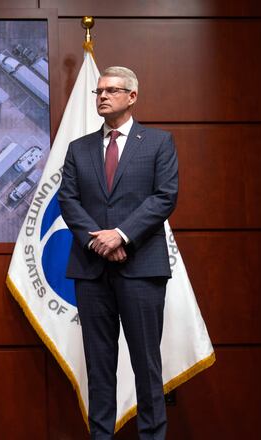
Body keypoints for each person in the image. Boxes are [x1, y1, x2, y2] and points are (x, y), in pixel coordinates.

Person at [57, 66, 178, 439]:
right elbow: (68, 199)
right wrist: (100, 241)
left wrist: (121, 236)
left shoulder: (158, 143)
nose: (102, 97)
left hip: (142, 268)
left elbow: (164, 197)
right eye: (98, 92)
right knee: (99, 364)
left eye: (111, 90)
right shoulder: (79, 149)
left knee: (147, 364)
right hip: (92, 269)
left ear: (132, 97)